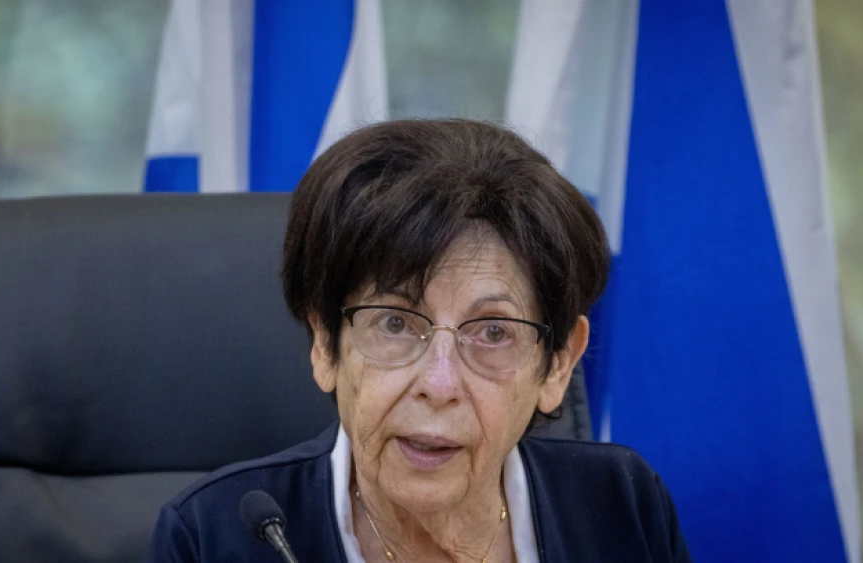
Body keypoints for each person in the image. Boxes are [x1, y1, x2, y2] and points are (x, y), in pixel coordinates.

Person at [147, 119, 691, 562]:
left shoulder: (623, 505)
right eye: (395, 323)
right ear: (325, 344)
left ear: (557, 365)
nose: (439, 383)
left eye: (494, 332)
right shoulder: (218, 538)